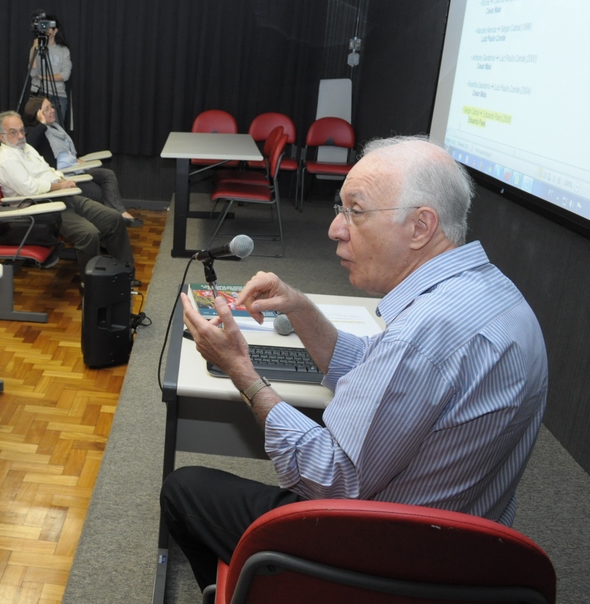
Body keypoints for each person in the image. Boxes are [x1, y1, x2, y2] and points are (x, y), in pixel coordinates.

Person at [161, 136, 549, 591]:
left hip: (381, 557)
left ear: (420, 226)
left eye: (355, 211)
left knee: (184, 491)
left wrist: (242, 373)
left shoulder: (420, 338)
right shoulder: (497, 296)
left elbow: (330, 478)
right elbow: (375, 368)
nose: (336, 229)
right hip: (471, 546)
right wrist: (301, 308)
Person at [0, 111, 135, 280]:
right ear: (1, 137)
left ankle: (125, 276)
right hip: (39, 208)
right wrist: (59, 185)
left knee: (114, 219)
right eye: (13, 132)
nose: (21, 136)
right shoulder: (6, 159)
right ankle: (92, 286)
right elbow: (29, 189)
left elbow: (47, 170)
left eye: (22, 130)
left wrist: (61, 180)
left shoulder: (26, 148)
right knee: (89, 235)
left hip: (61, 196)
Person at [23, 96, 142, 227]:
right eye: (47, 108)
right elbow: (29, 145)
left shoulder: (56, 128)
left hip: (76, 167)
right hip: (64, 175)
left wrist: (76, 159)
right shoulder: (34, 131)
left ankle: (120, 214)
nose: (52, 110)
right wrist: (42, 124)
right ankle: (111, 224)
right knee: (97, 192)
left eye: (52, 107)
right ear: (37, 114)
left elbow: (66, 152)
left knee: (107, 174)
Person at [28, 15, 72, 127]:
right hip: (38, 94)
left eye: (48, 27)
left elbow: (65, 75)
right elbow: (33, 73)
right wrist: (34, 48)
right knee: (36, 129)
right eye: (43, 26)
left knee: (56, 130)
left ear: (55, 30)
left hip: (58, 95)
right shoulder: (36, 48)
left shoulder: (63, 50)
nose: (45, 30)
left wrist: (42, 77)